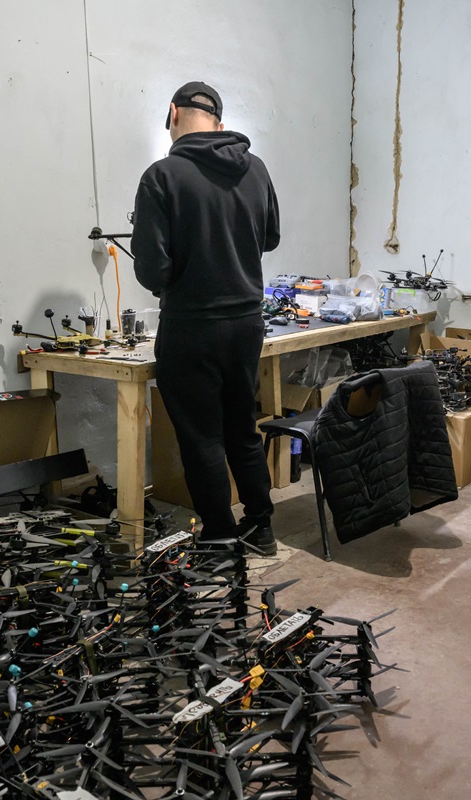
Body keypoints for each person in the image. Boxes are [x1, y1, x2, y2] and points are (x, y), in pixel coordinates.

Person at [132, 81, 280, 555]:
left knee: (202, 439)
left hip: (192, 327)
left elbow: (152, 270)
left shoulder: (162, 176)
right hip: (247, 323)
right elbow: (270, 238)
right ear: (218, 121)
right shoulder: (255, 168)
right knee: (241, 427)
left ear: (172, 113)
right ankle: (261, 527)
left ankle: (219, 537)